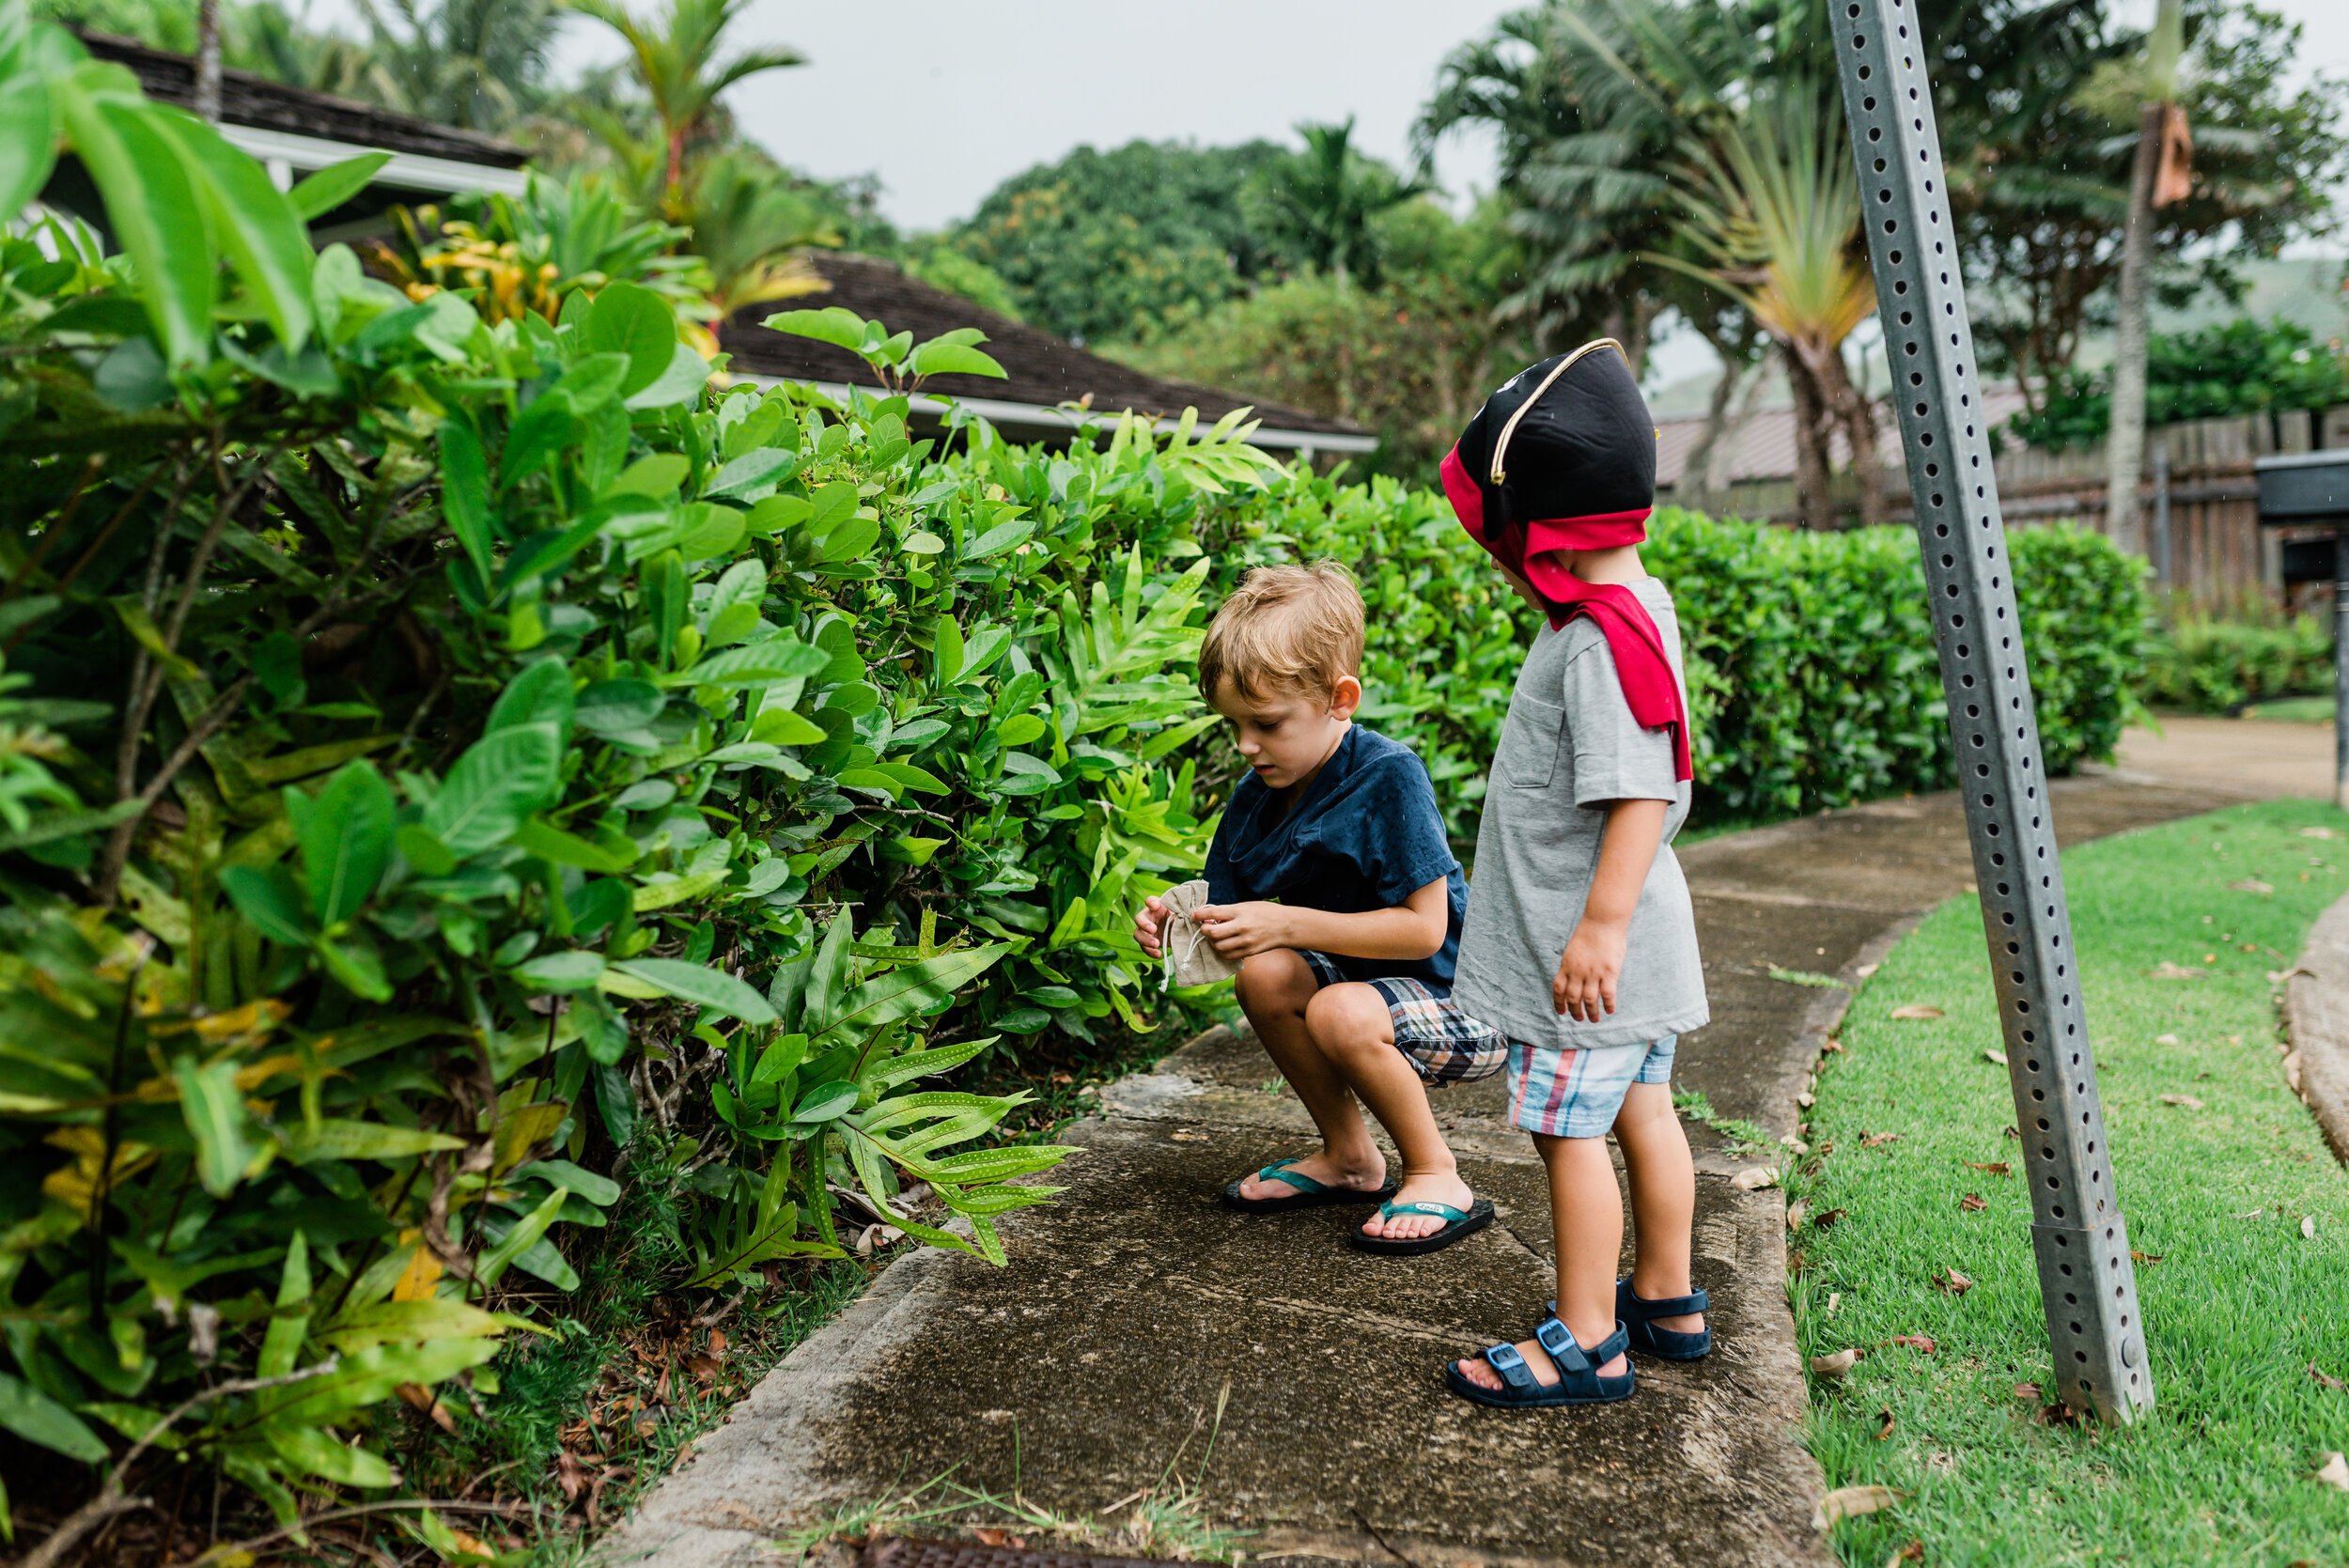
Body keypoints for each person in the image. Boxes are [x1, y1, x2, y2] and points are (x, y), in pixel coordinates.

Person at [1435, 341, 1713, 1406]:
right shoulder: (1636, 602)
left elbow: (1638, 790)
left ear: (1533, 531)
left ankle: (1588, 1338)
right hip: (1633, 939)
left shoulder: (1599, 641)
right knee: (1646, 1110)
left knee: (1568, 1133)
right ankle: (1667, 1295)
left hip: (1586, 953)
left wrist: (1594, 928)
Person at [1132, 563, 1507, 1254]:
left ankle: (1436, 1171)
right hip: (1368, 997)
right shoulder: (1259, 791)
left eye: (1266, 724)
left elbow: (1426, 928)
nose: (1247, 746)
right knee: (1265, 974)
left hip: (1465, 1001)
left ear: (1340, 699)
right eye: (1235, 725)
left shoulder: (1387, 776)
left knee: (1338, 1006)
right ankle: (1350, 1158)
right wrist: (1173, 925)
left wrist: (1289, 922)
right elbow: (1229, 917)